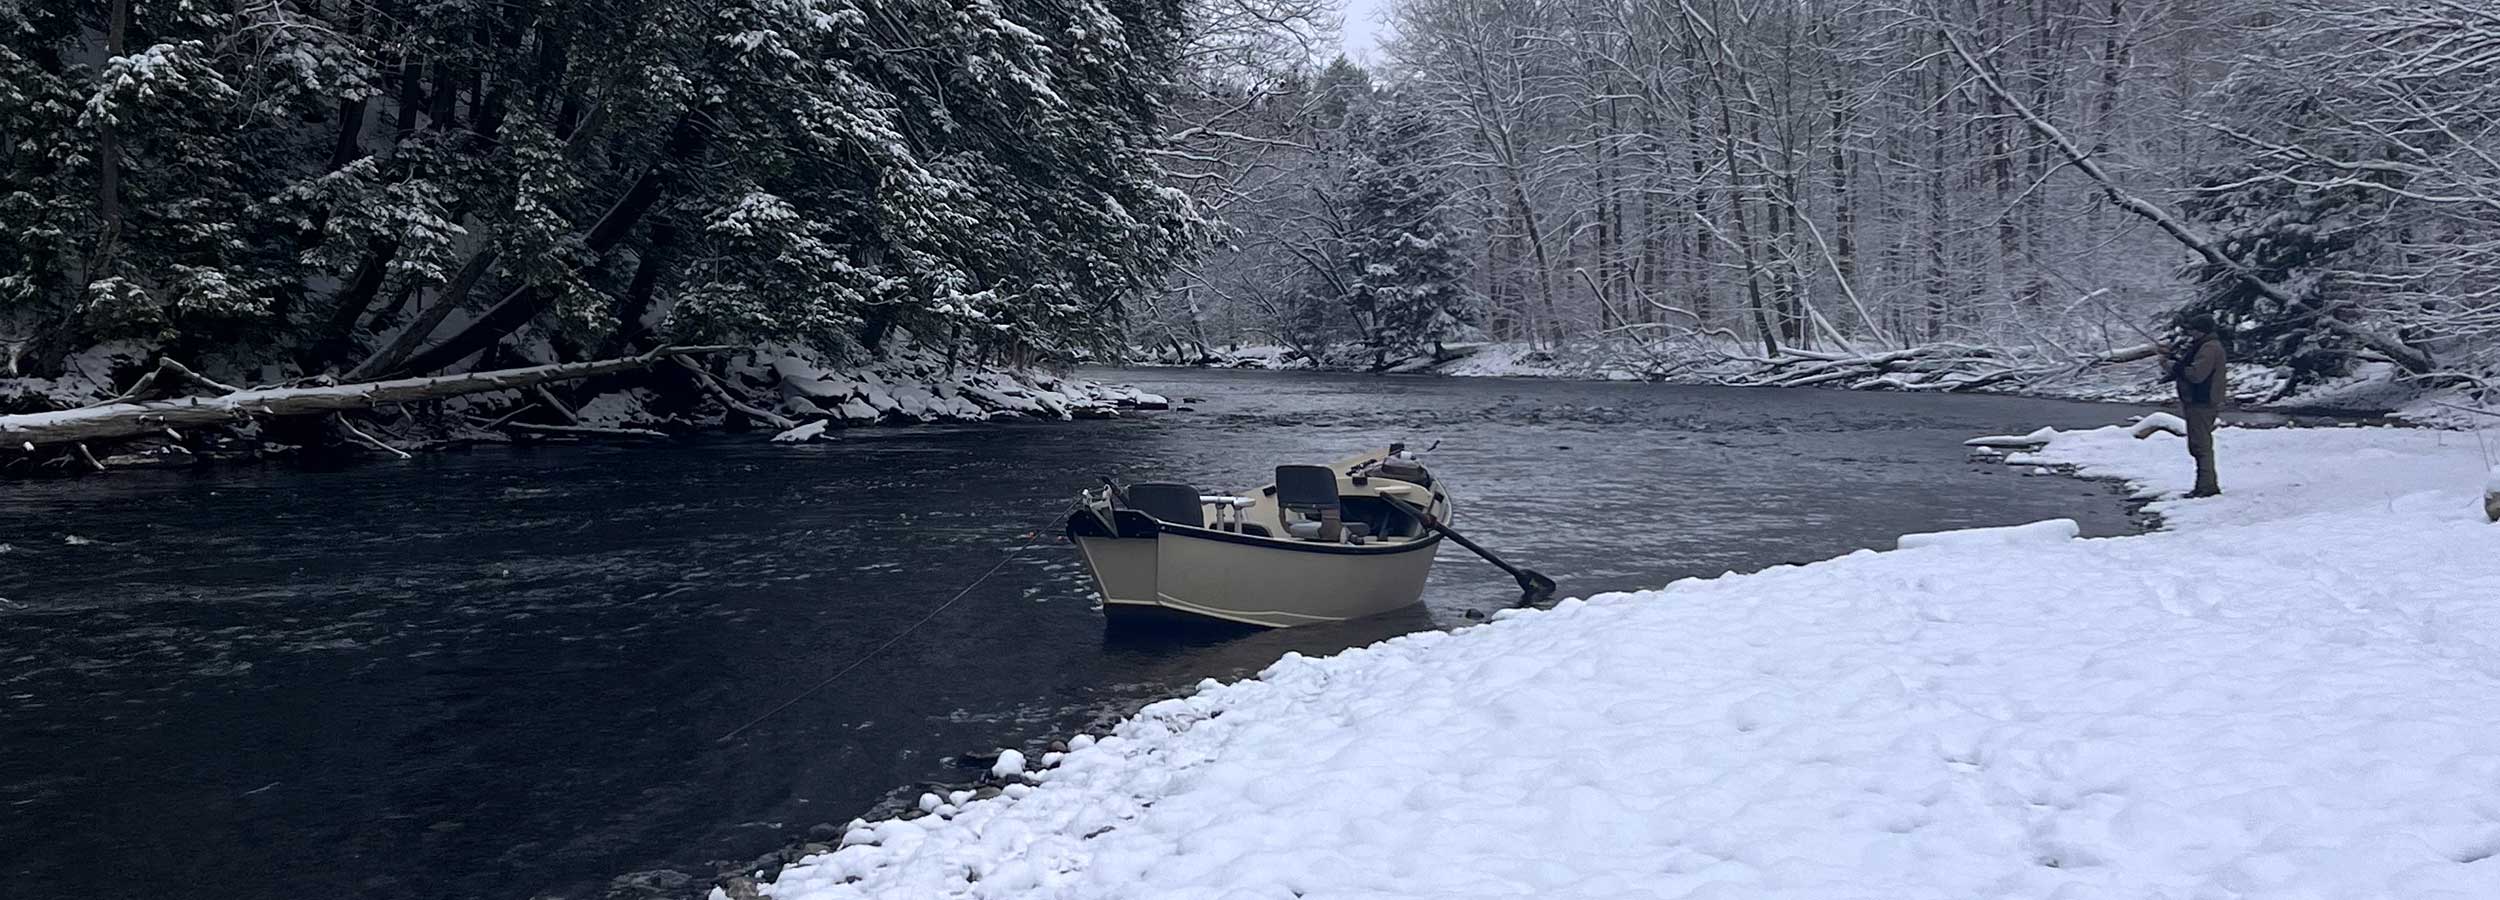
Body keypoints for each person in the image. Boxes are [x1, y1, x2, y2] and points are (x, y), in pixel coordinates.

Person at [2162, 313, 2228, 497]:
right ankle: (2204, 486)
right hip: (2199, 401)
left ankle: (2206, 488)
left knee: (2201, 445)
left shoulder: (2209, 348)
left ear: (2202, 330)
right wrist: (2171, 362)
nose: (2190, 333)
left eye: (2193, 330)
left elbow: (2196, 375)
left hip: (2202, 402)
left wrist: (2173, 365)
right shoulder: (2205, 345)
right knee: (2198, 444)